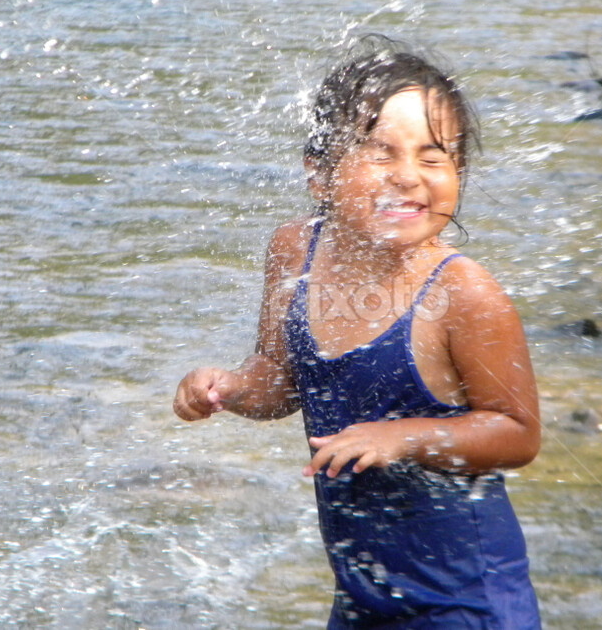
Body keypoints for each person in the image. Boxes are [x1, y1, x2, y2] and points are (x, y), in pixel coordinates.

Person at [173, 36, 542, 629]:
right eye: (381, 153)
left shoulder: (464, 293)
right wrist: (230, 388)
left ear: (460, 172)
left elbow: (518, 433)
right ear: (319, 174)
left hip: (465, 600)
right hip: (361, 596)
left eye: (434, 156)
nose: (408, 177)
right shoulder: (296, 249)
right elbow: (282, 380)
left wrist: (403, 438)